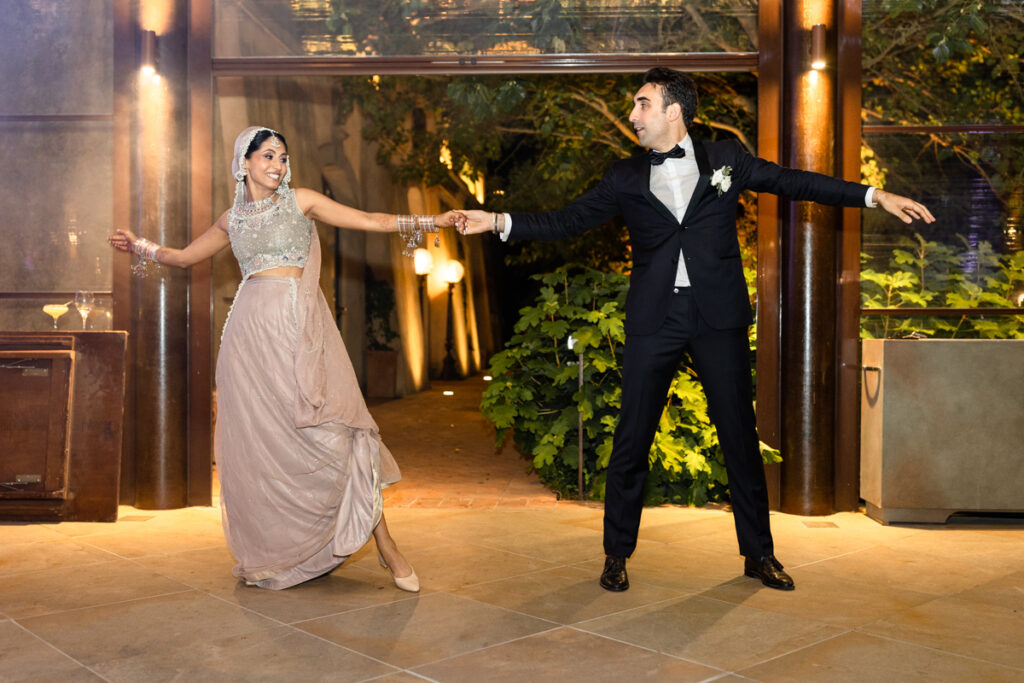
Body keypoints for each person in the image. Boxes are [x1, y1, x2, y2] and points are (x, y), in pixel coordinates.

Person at [459, 68, 935, 592]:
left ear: (673, 111)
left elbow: (794, 182)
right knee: (632, 440)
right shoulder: (624, 176)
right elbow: (567, 221)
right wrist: (498, 221)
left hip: (719, 318)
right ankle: (616, 554)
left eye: (642, 105)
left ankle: (759, 555)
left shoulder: (725, 159)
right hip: (654, 319)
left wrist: (873, 196)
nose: (632, 115)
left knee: (738, 440)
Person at [110, 126, 465, 590]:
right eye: (268, 157)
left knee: (338, 432)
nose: (277, 166)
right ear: (244, 162)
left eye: (282, 157)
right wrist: (140, 245)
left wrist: (432, 222)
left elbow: (371, 219)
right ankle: (282, 551)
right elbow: (181, 258)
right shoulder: (230, 220)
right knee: (266, 446)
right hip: (249, 339)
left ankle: (386, 545)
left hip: (300, 329)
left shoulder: (302, 201)